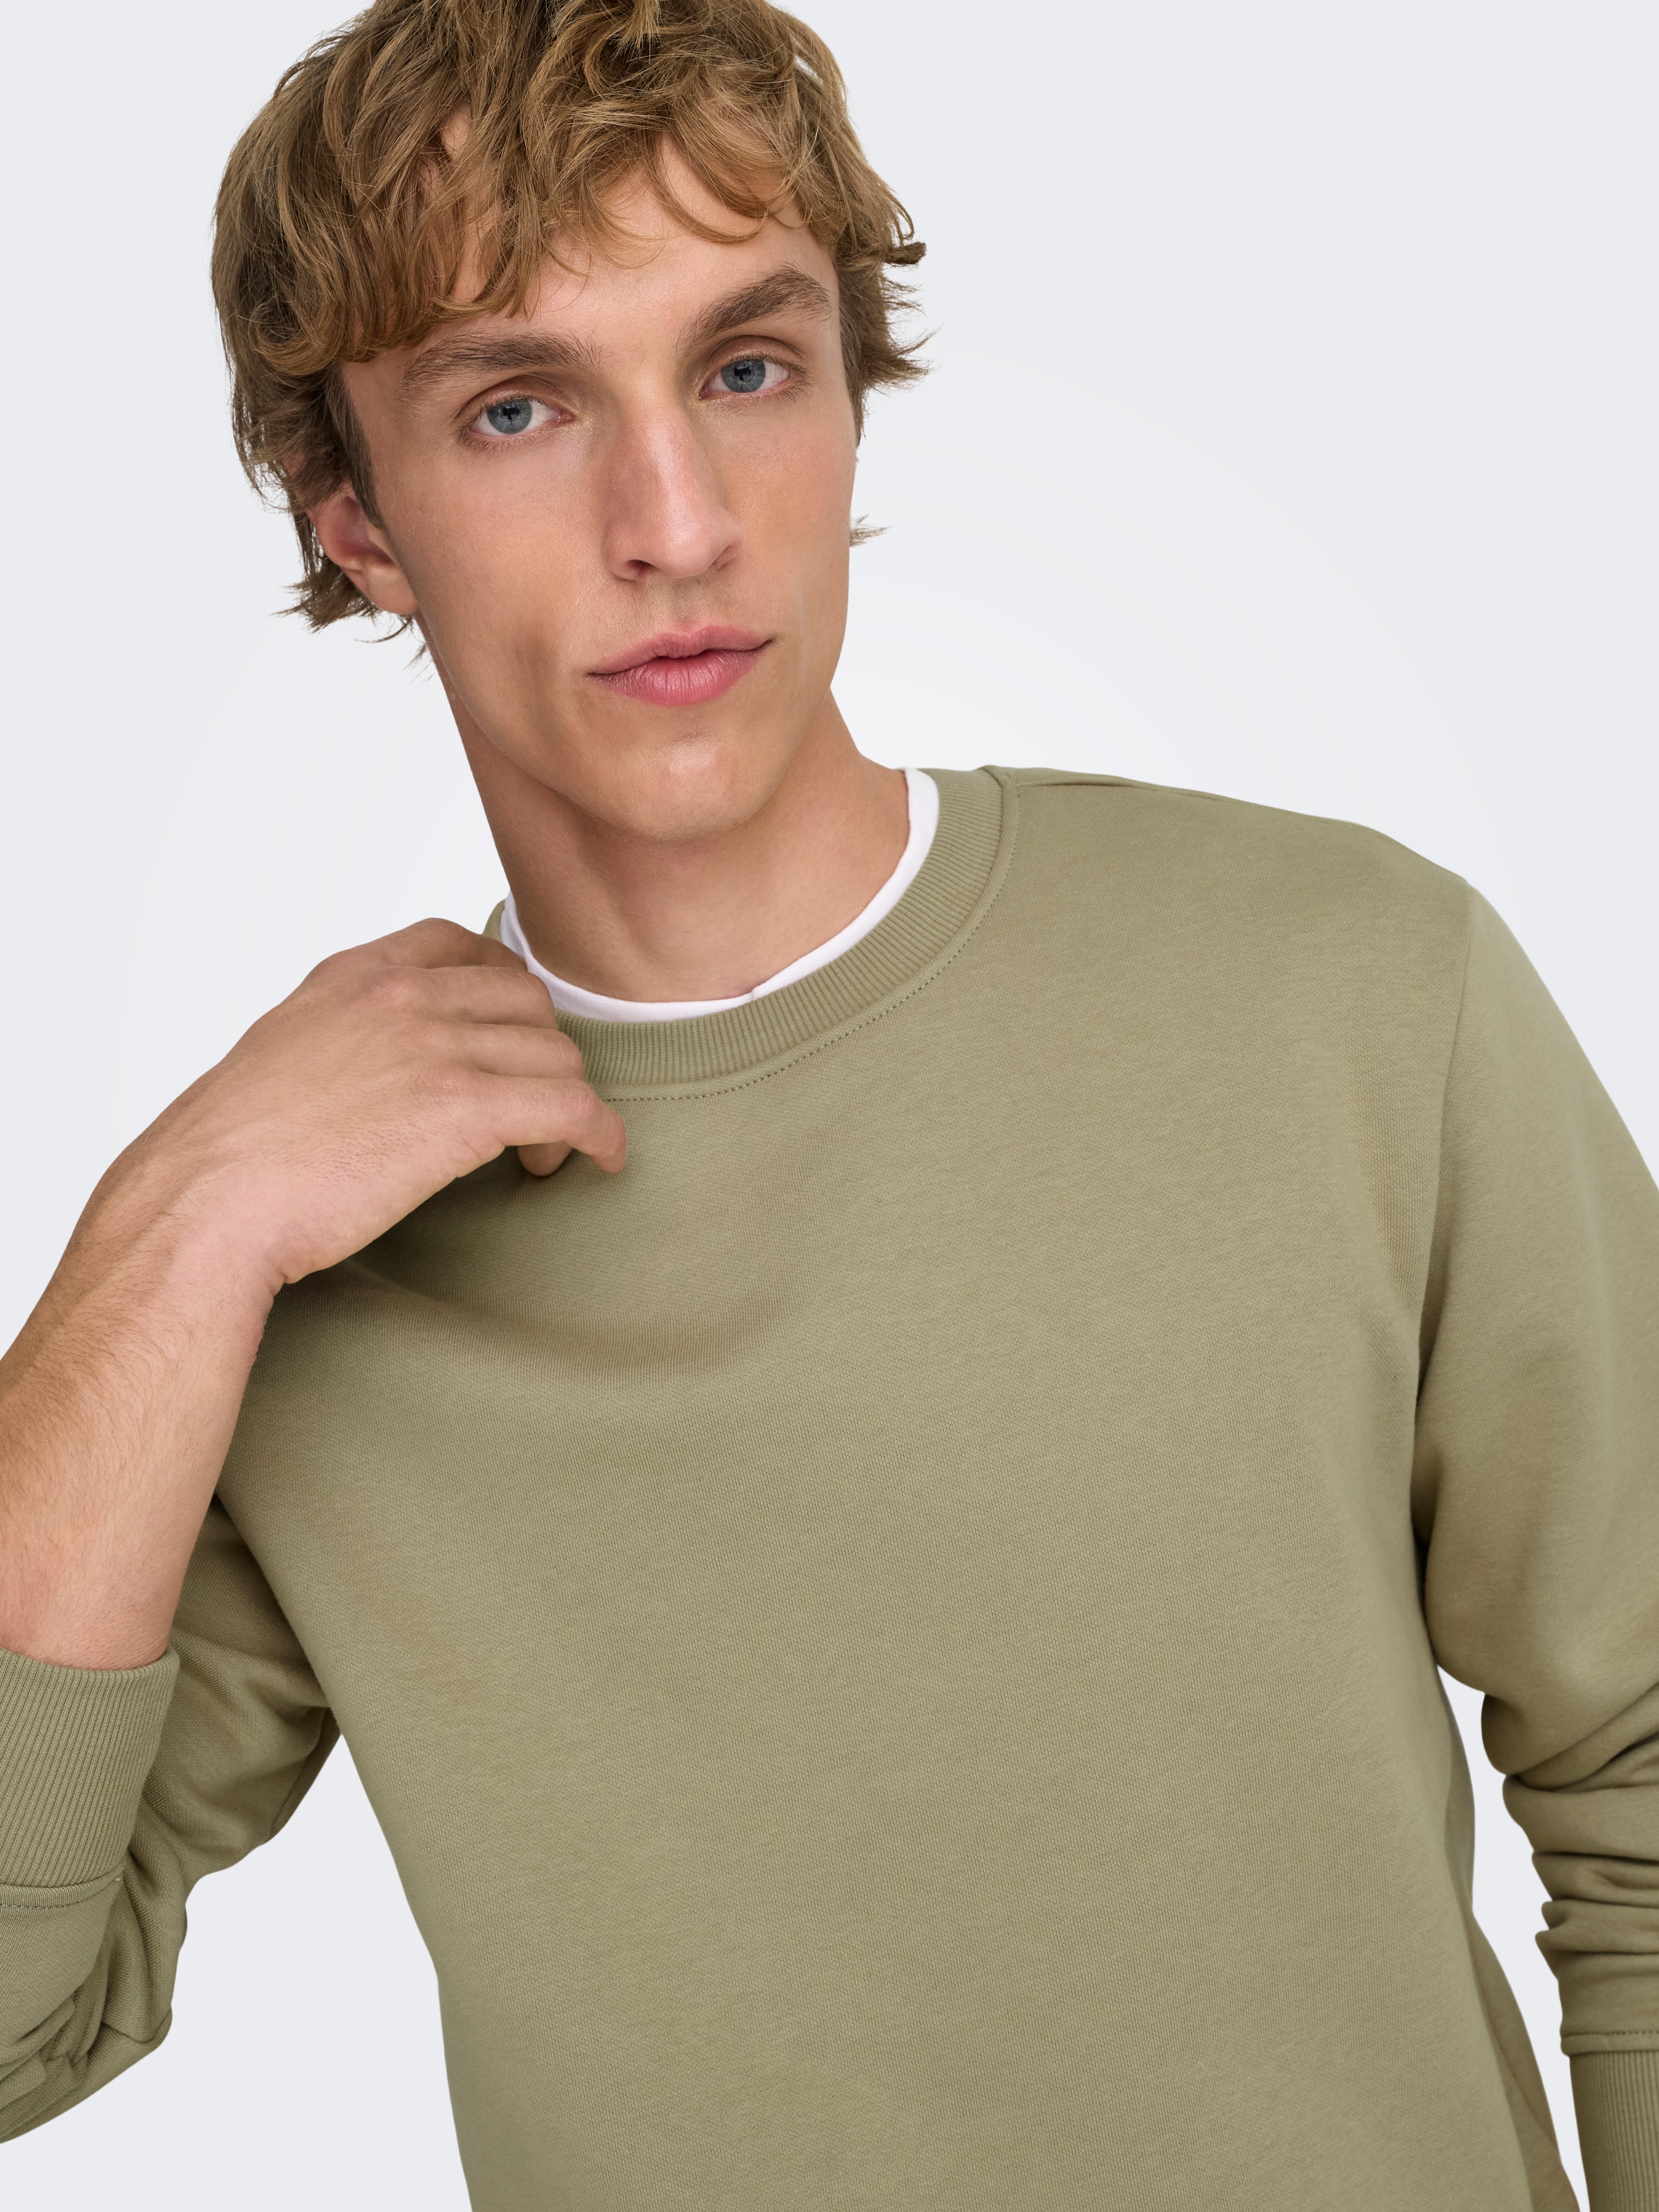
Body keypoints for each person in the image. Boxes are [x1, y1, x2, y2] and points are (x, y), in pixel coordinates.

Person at [1, 0, 1655, 2203]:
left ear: (853, 401)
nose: (676, 523)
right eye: (516, 408)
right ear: (363, 526)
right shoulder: (298, 1273)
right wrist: (170, 1229)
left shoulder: (1358, 989)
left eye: (748, 369)